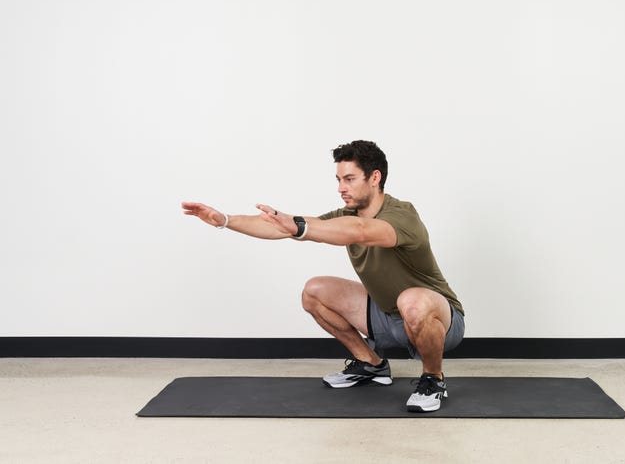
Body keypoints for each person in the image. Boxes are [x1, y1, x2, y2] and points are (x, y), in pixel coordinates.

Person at [181, 140, 465, 413]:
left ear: (375, 177)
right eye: (338, 179)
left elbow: (361, 231)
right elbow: (283, 228)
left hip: (438, 319)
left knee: (411, 300)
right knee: (314, 290)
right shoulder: (345, 215)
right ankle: (371, 364)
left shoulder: (403, 215)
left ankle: (433, 379)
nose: (341, 187)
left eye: (350, 179)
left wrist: (300, 227)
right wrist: (225, 221)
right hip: (386, 316)